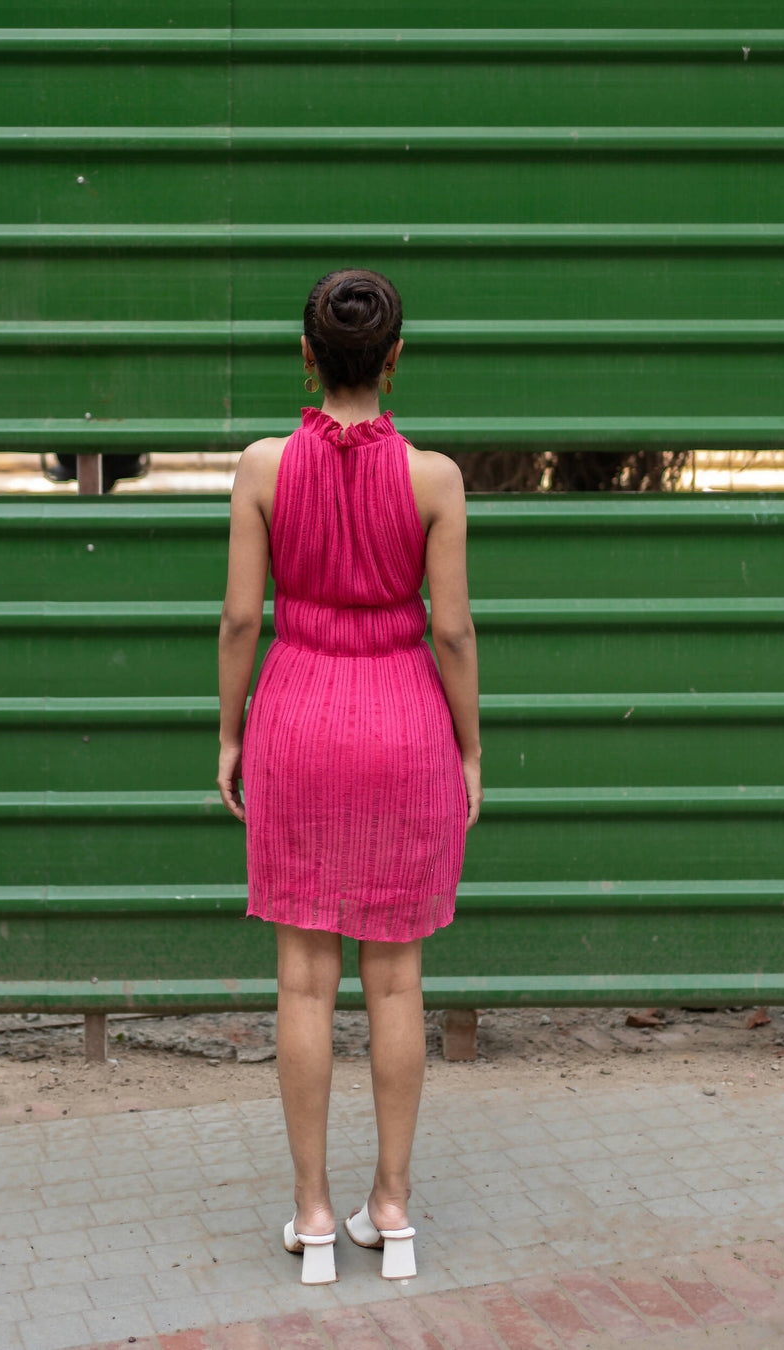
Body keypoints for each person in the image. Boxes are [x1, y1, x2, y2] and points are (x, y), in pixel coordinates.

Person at [216, 269, 481, 1285]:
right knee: (399, 980)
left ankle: (315, 1217)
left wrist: (232, 733)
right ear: (397, 357)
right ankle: (396, 1210)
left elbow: (242, 619)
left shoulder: (260, 468)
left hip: (297, 717)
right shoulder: (435, 480)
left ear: (306, 353)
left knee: (303, 981)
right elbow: (452, 630)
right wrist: (469, 747)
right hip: (404, 720)